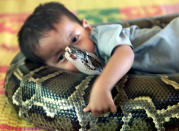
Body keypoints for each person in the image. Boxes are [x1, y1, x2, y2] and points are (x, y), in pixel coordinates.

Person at [18, 2, 179, 116]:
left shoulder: (103, 35)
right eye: (62, 56)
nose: (74, 53)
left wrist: (103, 86)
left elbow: (125, 54)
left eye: (75, 39)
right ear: (50, 69)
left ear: (87, 28)